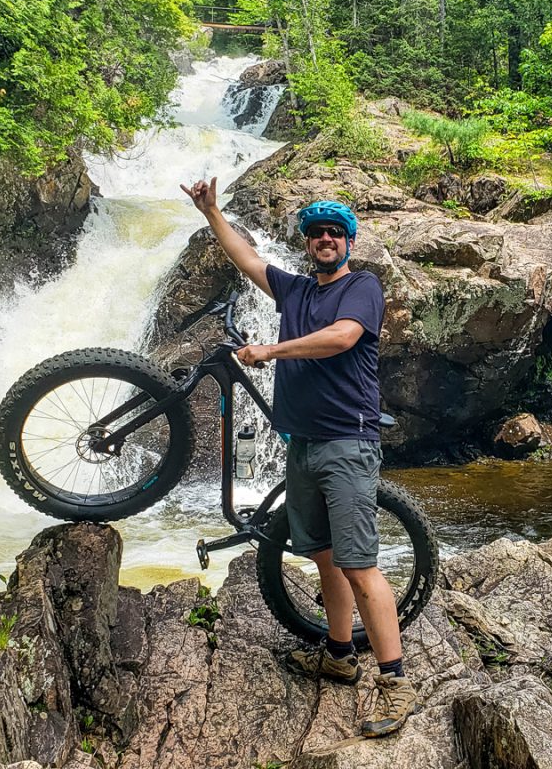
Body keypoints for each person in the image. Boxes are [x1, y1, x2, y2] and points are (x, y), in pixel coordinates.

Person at [180, 176, 418, 738]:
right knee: (325, 556)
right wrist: (212, 214)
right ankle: (339, 655)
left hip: (347, 443)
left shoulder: (362, 287)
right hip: (303, 444)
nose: (326, 239)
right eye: (317, 233)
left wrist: (272, 349)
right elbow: (247, 259)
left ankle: (395, 682)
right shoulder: (295, 291)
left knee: (359, 564)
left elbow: (340, 338)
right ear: (308, 244)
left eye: (336, 232)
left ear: (348, 243)